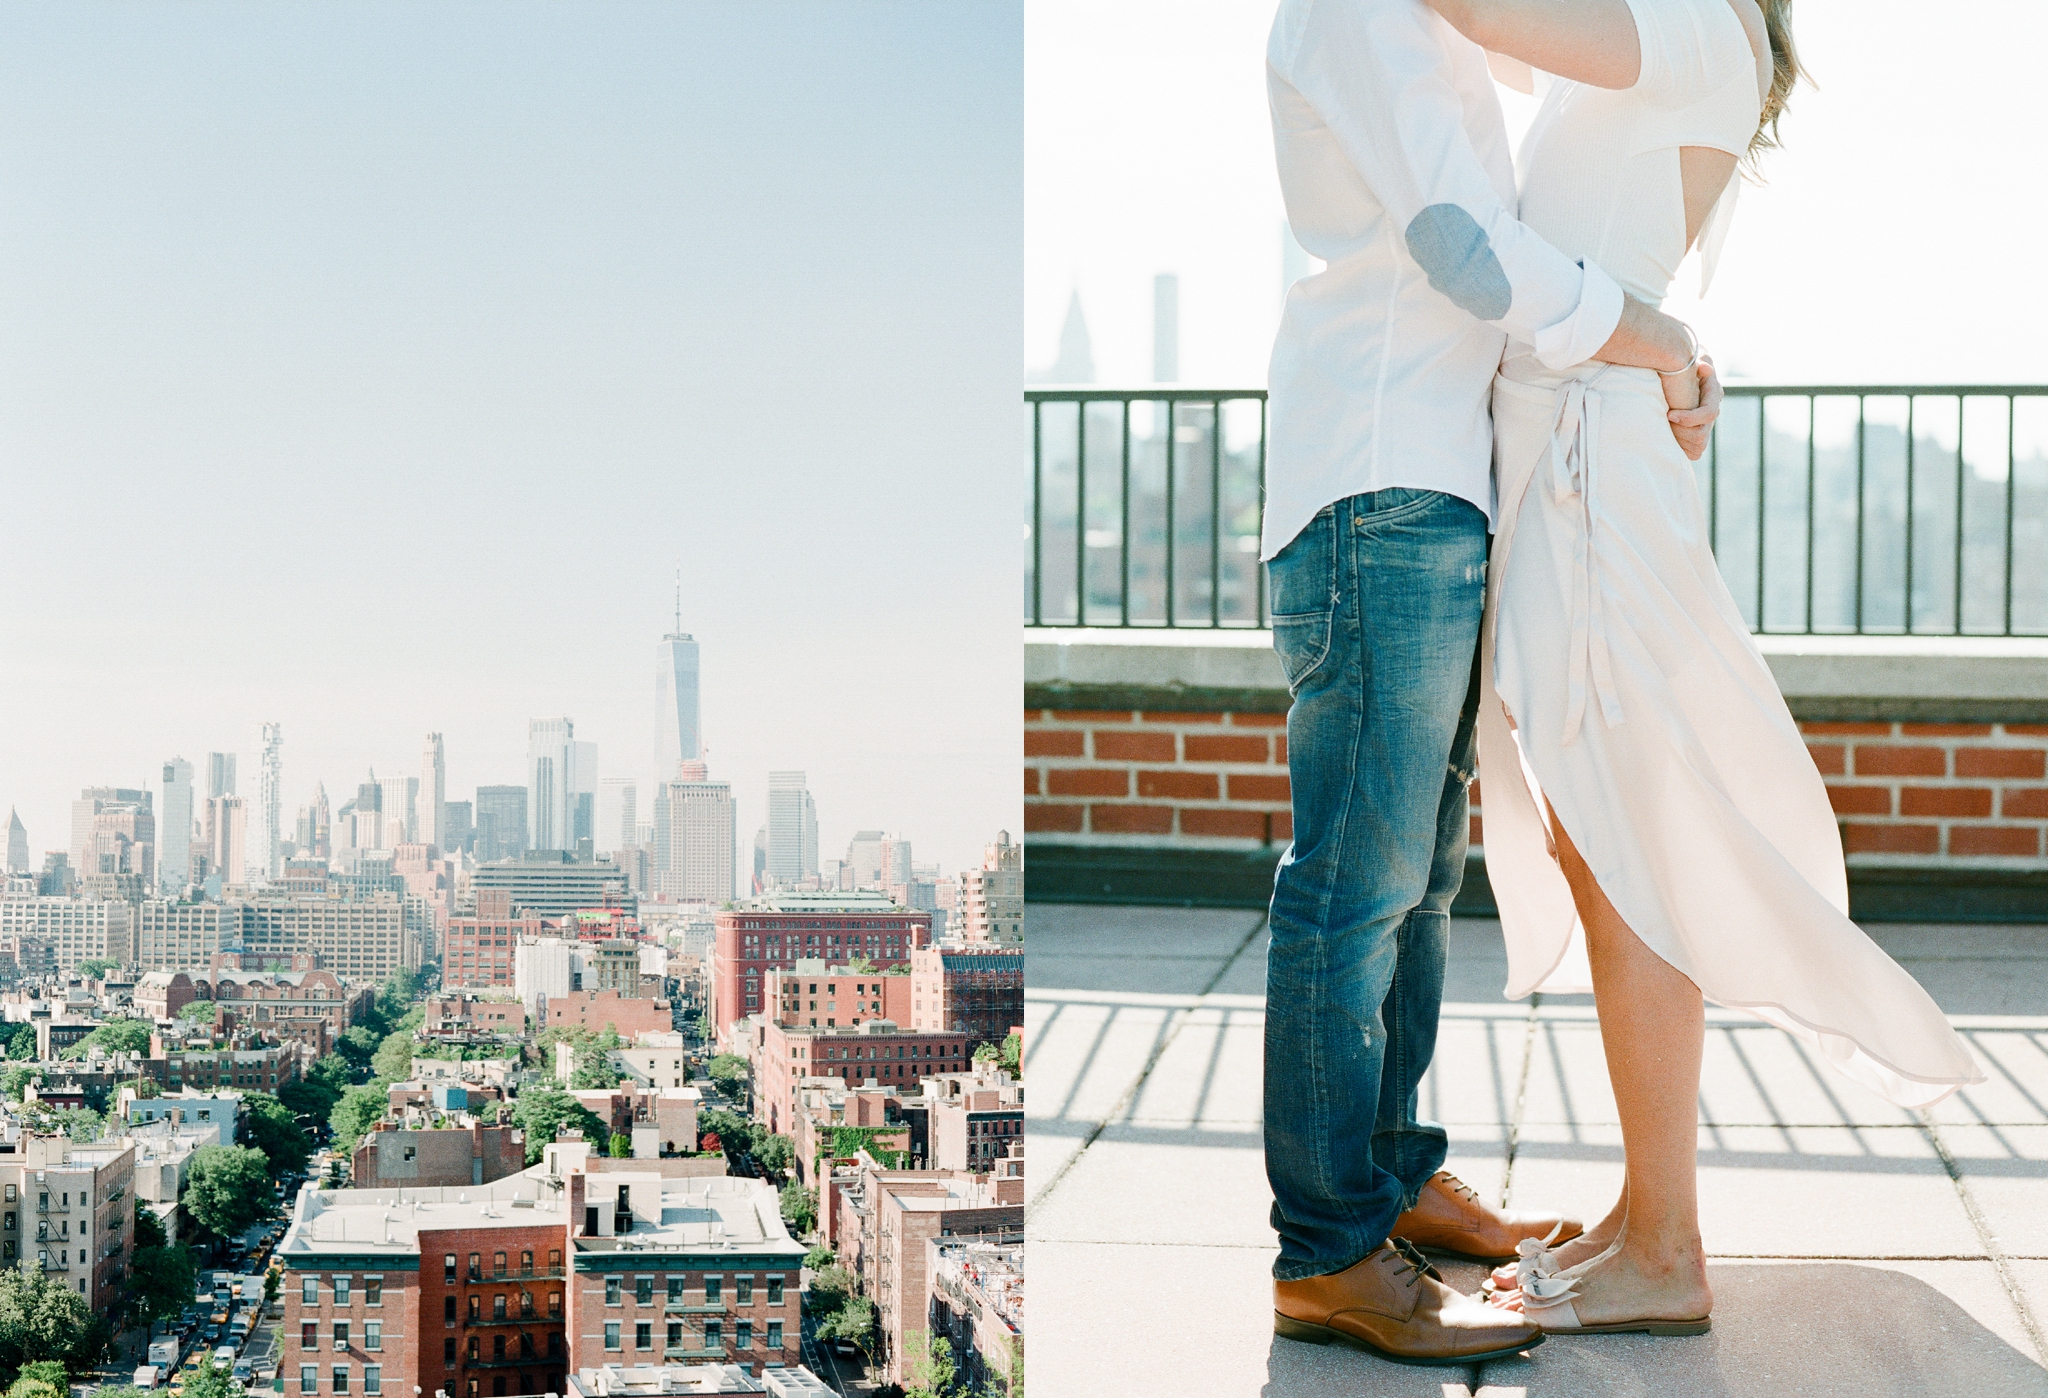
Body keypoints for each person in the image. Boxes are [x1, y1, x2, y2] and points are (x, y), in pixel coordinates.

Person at [1417, 0, 1985, 1337]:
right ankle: (1643, 1214)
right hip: (1578, 465)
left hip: (1590, 484)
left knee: (1625, 850)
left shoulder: (1686, 20)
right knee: (1602, 841)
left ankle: (1665, 1242)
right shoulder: (1670, 27)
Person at [1258, 0, 1725, 1366]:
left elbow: (1568, 52)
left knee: (1417, 882)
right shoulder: (1352, 12)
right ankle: (1332, 1247)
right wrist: (1649, 330)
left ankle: (1394, 1173)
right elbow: (1464, 249)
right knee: (1356, 882)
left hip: (1434, 482)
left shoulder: (1429, 19)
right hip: (1378, 483)